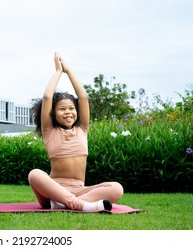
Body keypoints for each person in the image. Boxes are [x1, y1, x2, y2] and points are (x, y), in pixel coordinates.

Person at [28, 52, 123, 212]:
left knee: (117, 188)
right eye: (62, 109)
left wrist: (68, 71)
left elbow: (83, 97)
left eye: (72, 108)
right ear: (53, 113)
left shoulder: (82, 129)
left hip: (80, 190)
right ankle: (77, 204)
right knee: (34, 174)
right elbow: (47, 97)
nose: (68, 112)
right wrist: (58, 72)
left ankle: (69, 203)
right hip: (55, 189)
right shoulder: (49, 131)